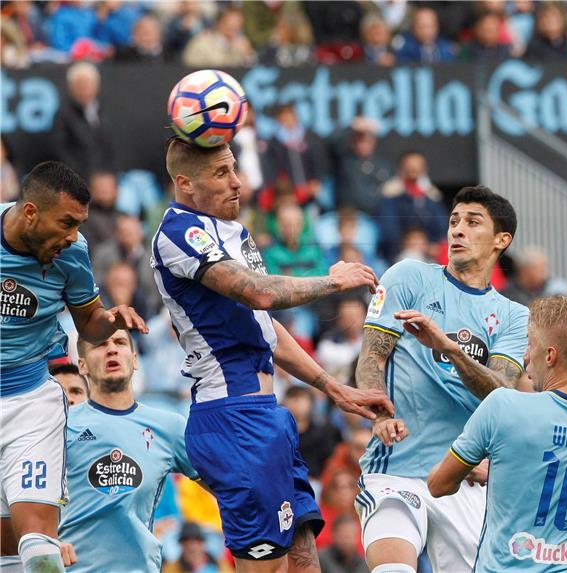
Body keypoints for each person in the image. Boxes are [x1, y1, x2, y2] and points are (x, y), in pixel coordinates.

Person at [152, 137, 393, 572]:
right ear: (185, 183)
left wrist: (333, 388)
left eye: (234, 169)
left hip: (267, 416)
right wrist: (333, 281)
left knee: (303, 559)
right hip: (233, 419)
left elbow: (267, 330)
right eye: (222, 173)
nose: (238, 182)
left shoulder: (234, 232)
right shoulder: (177, 233)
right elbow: (260, 293)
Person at [355, 185, 529, 572]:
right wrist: (379, 413)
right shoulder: (408, 276)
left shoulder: (515, 316)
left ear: (502, 240)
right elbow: (371, 357)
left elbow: (501, 392)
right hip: (397, 468)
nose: (457, 230)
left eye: (472, 222)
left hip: (463, 478)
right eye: (453, 221)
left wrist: (448, 347)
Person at [0, 161, 147, 573]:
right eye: (66, 222)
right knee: (5, 552)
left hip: (30, 402)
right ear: (30, 212)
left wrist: (112, 320)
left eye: (79, 224)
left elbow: (89, 322)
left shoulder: (74, 253)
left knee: (41, 551)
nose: (72, 236)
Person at [427, 296, 567, 571]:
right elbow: (564, 459)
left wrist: (490, 470)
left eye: (529, 344)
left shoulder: (502, 406)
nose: (525, 356)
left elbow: (438, 485)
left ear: (550, 356)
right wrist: (503, 469)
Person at [58, 330, 200, 573]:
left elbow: (225, 487)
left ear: (135, 359)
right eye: (100, 344)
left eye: (120, 342)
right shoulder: (60, 425)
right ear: (82, 365)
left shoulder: (170, 427)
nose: (112, 349)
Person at [52, 62, 114, 180]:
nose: (85, 89)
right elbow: (60, 152)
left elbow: (108, 148)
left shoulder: (103, 111)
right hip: (76, 179)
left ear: (97, 86)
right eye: (80, 85)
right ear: (71, 87)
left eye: (88, 84)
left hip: (103, 178)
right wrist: (86, 177)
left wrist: (107, 175)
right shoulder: (62, 115)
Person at [163, 522, 234, 573]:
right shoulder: (172, 568)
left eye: (196, 542)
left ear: (202, 544)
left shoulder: (219, 563)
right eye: (186, 543)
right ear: (181, 545)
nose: (191, 547)